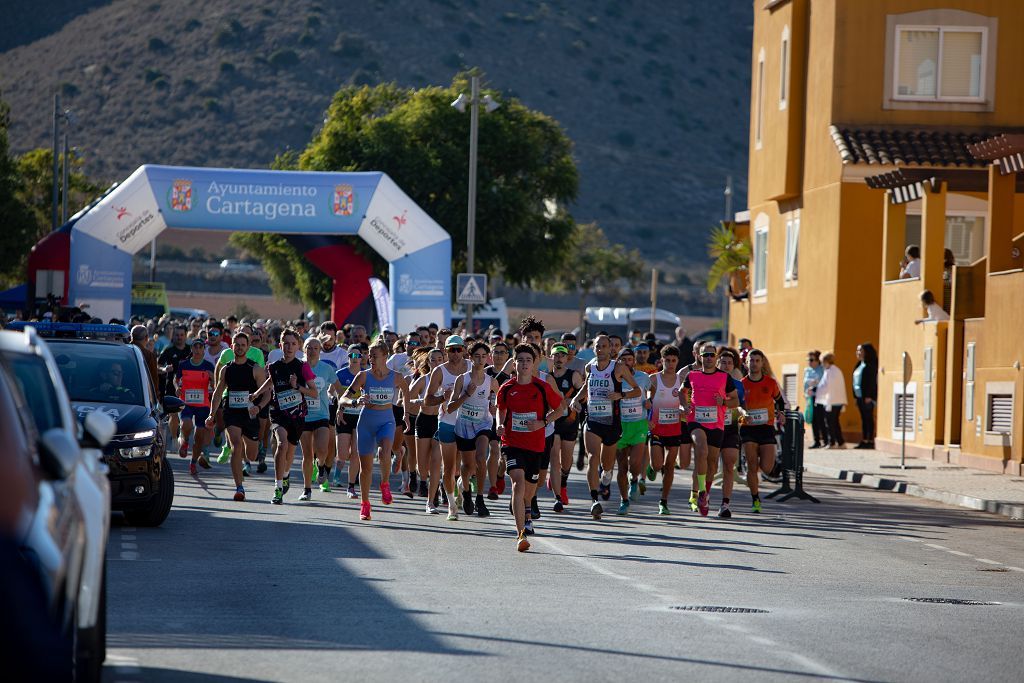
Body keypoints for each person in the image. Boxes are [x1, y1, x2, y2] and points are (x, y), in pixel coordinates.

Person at [496, 344, 565, 552]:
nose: (524, 364)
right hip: (512, 443)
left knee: (529, 489)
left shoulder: (541, 387)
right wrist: (499, 423)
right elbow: (501, 408)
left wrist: (543, 423)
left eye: (528, 360)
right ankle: (520, 535)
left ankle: (526, 508)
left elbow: (560, 409)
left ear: (534, 363)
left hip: (535, 445)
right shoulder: (507, 387)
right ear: (514, 364)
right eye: (520, 360)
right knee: (518, 483)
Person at [569, 334, 641, 520]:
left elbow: (637, 390)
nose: (600, 349)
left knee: (606, 464)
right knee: (592, 458)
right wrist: (577, 399)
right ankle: (594, 500)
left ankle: (607, 474)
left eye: (604, 346)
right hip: (592, 420)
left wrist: (621, 396)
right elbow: (587, 386)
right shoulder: (589, 366)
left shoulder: (618, 368)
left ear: (611, 349)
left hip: (612, 424)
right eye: (597, 346)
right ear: (593, 348)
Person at [341, 339, 412, 520]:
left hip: (386, 420)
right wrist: (355, 401)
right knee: (365, 469)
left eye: (374, 356)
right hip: (366, 422)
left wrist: (405, 414)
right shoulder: (363, 376)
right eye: (369, 355)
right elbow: (343, 398)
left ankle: (385, 484)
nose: (370, 358)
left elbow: (406, 390)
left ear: (385, 357)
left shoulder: (395, 376)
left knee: (385, 451)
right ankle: (365, 505)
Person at [254, 329, 318, 505]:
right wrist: (256, 394)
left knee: (290, 452)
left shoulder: (302, 366)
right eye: (286, 343)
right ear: (280, 345)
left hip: (297, 415)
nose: (289, 347)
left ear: (298, 347)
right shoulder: (273, 366)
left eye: (293, 344)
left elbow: (314, 393)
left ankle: (286, 474)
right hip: (278, 412)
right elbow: (270, 382)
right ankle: (277, 488)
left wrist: (297, 387)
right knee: (281, 445)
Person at [206, 332, 267, 502]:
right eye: (236, 344)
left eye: (242, 345)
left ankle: (248, 460)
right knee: (236, 444)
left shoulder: (255, 368)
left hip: (250, 413)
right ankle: (239, 487)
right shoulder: (226, 369)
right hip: (232, 411)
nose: (239, 347)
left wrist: (258, 406)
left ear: (248, 347)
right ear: (231, 347)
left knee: (252, 455)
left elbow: (267, 393)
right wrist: (211, 414)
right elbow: (218, 393)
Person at [682, 343, 739, 517]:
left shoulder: (724, 377)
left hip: (716, 424)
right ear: (699, 357)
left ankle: (705, 493)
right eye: (705, 355)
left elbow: (735, 401)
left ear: (715, 357)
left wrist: (723, 402)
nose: (708, 358)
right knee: (701, 448)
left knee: (713, 463)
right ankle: (700, 492)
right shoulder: (691, 375)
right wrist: (684, 405)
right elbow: (681, 392)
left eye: (711, 355)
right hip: (696, 421)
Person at [447, 341, 500, 517]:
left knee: (481, 457)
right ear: (470, 357)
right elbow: (450, 407)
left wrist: (494, 408)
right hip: (464, 425)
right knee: (467, 465)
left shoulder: (492, 381)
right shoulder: (462, 379)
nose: (480, 359)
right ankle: (467, 493)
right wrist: (466, 395)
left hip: (483, 424)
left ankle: (480, 498)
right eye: (477, 356)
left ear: (488, 358)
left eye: (484, 356)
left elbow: (499, 403)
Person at [423, 335, 470, 520]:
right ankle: (451, 505)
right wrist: (444, 397)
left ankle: (460, 485)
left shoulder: (472, 367)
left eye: (459, 349)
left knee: (468, 466)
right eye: (452, 350)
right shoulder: (440, 372)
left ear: (464, 350)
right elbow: (427, 400)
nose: (456, 353)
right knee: (449, 467)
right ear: (446, 351)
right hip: (447, 421)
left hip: (468, 423)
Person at [740, 349, 784, 514]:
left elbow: (780, 401)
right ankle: (755, 498)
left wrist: (781, 413)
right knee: (752, 466)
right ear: (747, 363)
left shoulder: (770, 383)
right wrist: (742, 413)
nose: (754, 363)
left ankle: (753, 471)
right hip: (748, 427)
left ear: (762, 363)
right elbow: (736, 404)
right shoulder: (742, 384)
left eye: (757, 360)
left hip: (766, 428)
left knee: (766, 467)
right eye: (751, 360)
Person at [297, 337, 337, 501]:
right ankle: (307, 489)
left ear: (320, 351)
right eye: (309, 347)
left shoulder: (326, 368)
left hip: (321, 414)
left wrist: (341, 406)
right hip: (303, 415)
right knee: (307, 455)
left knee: (322, 449)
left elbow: (339, 388)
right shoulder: (298, 367)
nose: (312, 351)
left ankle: (321, 465)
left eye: (315, 348)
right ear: (303, 349)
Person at [648, 344, 684, 515]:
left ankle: (663, 501)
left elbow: (684, 401)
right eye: (667, 360)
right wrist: (647, 414)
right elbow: (647, 401)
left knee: (669, 465)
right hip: (656, 428)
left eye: (673, 361)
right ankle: (652, 467)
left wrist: (685, 409)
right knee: (657, 465)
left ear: (677, 361)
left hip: (674, 428)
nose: (670, 364)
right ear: (661, 361)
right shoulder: (654, 379)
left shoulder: (680, 380)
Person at [614, 347, 650, 515]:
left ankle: (634, 479)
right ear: (618, 361)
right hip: (620, 426)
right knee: (621, 467)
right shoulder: (614, 378)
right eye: (623, 360)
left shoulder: (643, 378)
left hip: (639, 424)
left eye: (630, 359)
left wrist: (649, 403)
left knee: (634, 463)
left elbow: (652, 393)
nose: (627, 362)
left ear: (634, 361)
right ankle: (624, 500)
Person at [547, 343, 583, 512]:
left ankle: (563, 482)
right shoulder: (547, 377)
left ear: (567, 358)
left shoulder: (573, 375)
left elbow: (585, 394)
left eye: (562, 355)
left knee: (566, 459)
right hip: (553, 422)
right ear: (551, 357)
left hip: (569, 421)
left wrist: (574, 400)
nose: (559, 358)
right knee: (554, 457)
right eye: (556, 355)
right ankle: (558, 496)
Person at [174, 339, 215, 475]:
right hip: (186, 401)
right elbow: (176, 379)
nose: (197, 350)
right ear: (191, 349)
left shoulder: (209, 366)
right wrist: (177, 388)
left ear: (204, 350)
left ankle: (193, 462)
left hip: (202, 404)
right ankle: (185, 441)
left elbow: (216, 386)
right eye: (195, 347)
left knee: (199, 437)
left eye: (200, 347)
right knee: (186, 424)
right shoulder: (183, 364)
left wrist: (212, 378)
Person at [715, 347, 745, 518]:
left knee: (729, 464)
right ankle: (700, 494)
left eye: (730, 363)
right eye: (723, 362)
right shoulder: (710, 381)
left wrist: (742, 415)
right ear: (718, 363)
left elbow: (742, 405)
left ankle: (725, 504)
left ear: (734, 366)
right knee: (710, 465)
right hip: (711, 428)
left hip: (731, 428)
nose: (726, 366)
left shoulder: (739, 385)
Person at [334, 344, 366, 498]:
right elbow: (331, 391)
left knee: (356, 454)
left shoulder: (366, 375)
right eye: (351, 356)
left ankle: (351, 486)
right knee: (342, 453)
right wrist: (337, 400)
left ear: (361, 358)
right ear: (347, 358)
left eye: (357, 356)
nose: (354, 359)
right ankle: (337, 469)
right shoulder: (340, 374)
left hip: (360, 417)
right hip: (344, 415)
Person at [157, 324, 191, 443]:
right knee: (174, 414)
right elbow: (158, 365)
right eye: (177, 335)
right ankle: (175, 438)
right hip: (171, 386)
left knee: (187, 414)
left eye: (182, 335)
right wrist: (165, 368)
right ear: (173, 336)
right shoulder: (168, 350)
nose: (179, 337)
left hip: (189, 387)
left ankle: (183, 435)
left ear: (186, 336)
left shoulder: (191, 350)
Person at [814, 352, 847, 448]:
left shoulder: (829, 371)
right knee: (835, 422)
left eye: (822, 362)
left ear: (825, 361)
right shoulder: (837, 370)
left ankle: (832, 442)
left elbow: (825, 387)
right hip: (838, 401)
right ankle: (841, 442)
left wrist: (816, 390)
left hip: (831, 402)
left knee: (829, 423)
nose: (821, 364)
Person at [852, 343, 878, 449]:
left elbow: (871, 382)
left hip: (867, 397)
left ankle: (870, 440)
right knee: (863, 419)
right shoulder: (859, 364)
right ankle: (864, 439)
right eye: (857, 350)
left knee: (868, 418)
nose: (858, 352)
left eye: (860, 350)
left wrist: (869, 396)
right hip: (859, 397)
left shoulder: (871, 365)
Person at [804, 350, 827, 448]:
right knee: (813, 419)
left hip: (820, 397)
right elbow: (804, 384)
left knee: (821, 419)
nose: (809, 362)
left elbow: (823, 383)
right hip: (810, 398)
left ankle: (826, 441)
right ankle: (816, 441)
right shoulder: (807, 370)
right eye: (808, 360)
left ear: (818, 360)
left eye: (812, 359)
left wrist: (814, 386)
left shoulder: (822, 369)